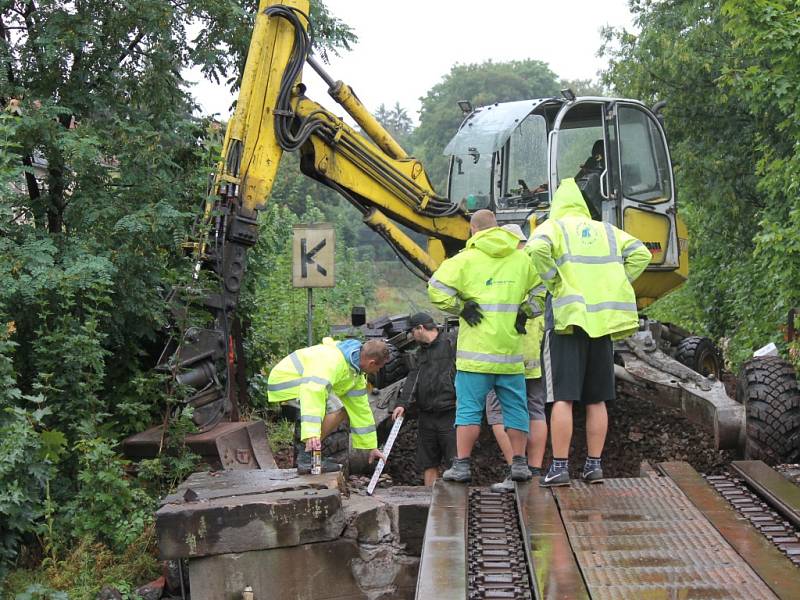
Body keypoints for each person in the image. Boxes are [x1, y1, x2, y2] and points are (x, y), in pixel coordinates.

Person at [526, 178, 651, 487]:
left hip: (568, 321)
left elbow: (536, 248)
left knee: (563, 399)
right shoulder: (607, 231)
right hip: (603, 321)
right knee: (597, 399)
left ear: (557, 207)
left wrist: (554, 281)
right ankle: (594, 466)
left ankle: (559, 467)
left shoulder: (554, 228)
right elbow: (641, 254)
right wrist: (617, 282)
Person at [428, 209, 539, 486]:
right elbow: (544, 290)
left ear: (473, 231)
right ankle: (520, 464)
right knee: (516, 409)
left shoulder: (464, 260)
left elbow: (435, 289)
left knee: (467, 410)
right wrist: (525, 310)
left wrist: (460, 307)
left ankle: (462, 465)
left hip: (475, 356)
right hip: (510, 353)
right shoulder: (521, 259)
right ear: (497, 228)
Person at [485, 223, 548, 492]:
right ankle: (533, 469)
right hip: (534, 352)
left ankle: (516, 469)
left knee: (498, 411)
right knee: (535, 408)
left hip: (505, 351)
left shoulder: (504, 268)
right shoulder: (536, 267)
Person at [267, 337, 389, 473]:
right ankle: (306, 455)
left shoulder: (354, 373)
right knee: (336, 408)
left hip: (304, 383)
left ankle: (309, 454)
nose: (377, 372)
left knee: (343, 409)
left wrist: (371, 447)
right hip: (287, 382)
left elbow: (361, 410)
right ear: (372, 363)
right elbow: (312, 391)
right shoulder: (333, 361)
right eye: (379, 367)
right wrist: (311, 433)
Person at [391, 312, 457, 486]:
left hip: (451, 413)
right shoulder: (420, 353)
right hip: (426, 414)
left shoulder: (452, 345)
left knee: (456, 462)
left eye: (412, 332)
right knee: (428, 462)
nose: (411, 336)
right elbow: (413, 378)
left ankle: (457, 504)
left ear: (420, 328)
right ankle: (429, 500)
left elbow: (465, 374)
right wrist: (402, 404)